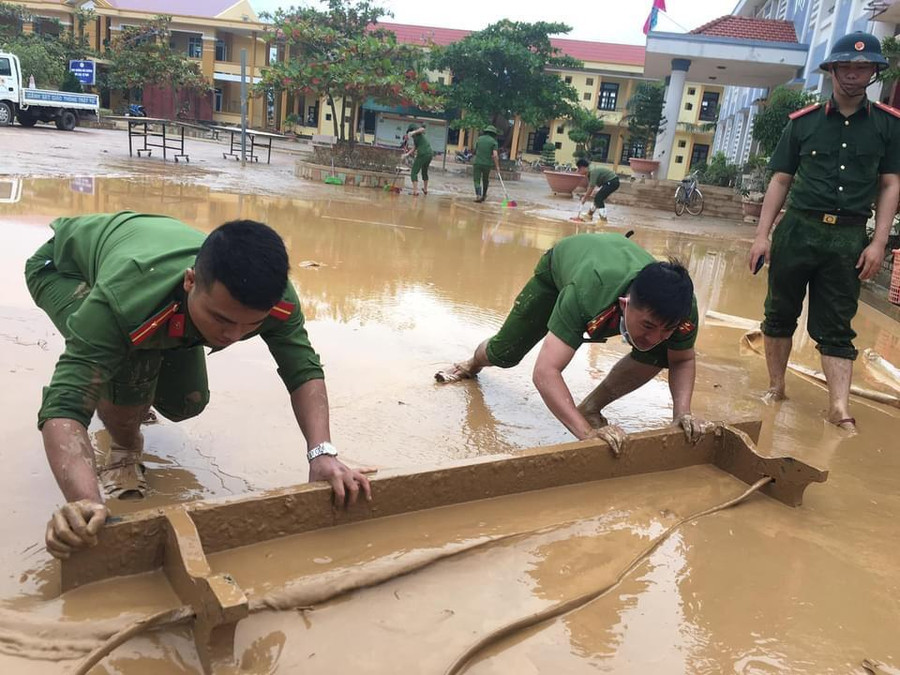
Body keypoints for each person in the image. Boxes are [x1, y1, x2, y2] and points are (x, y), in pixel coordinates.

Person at [25, 213, 373, 559]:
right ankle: (123, 450)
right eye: (222, 319)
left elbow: (302, 368)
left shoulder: (274, 296)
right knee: (133, 365)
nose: (233, 336)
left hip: (152, 276)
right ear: (191, 281)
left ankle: (129, 396)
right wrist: (84, 501)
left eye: (251, 324)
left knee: (187, 402)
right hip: (61, 268)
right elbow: (66, 403)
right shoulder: (122, 303)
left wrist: (322, 452)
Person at [747, 31, 900, 433]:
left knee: (837, 323)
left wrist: (879, 241)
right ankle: (776, 388)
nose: (854, 74)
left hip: (848, 238)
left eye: (863, 67)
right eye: (847, 65)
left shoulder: (887, 126)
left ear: (873, 71)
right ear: (832, 68)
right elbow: (781, 179)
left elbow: (890, 184)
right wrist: (762, 235)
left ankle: (838, 406)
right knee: (779, 313)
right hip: (798, 229)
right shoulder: (803, 124)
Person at [435, 232, 706, 453]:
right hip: (562, 271)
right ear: (625, 305)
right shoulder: (588, 293)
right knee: (505, 352)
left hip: (611, 262)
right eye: (648, 326)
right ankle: (471, 364)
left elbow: (682, 359)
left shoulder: (683, 310)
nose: (656, 338)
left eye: (666, 329)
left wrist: (682, 413)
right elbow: (545, 372)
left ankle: (589, 408)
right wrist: (588, 436)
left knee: (660, 354)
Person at [574, 158, 620, 222]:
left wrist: (585, 198)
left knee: (599, 198)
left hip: (612, 182)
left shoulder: (592, 172)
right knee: (597, 197)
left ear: (582, 168)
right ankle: (589, 215)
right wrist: (591, 193)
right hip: (607, 183)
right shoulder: (589, 172)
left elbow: (591, 186)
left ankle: (603, 219)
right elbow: (592, 185)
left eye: (579, 169)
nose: (578, 171)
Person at [402, 122, 434, 196]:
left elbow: (422, 129)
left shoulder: (417, 133)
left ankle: (415, 191)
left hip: (423, 153)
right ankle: (425, 190)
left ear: (412, 130)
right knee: (424, 171)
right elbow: (414, 147)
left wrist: (413, 132)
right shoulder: (416, 137)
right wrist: (407, 154)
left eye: (409, 131)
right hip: (429, 154)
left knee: (414, 172)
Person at [472, 125, 501, 203]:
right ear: (493, 134)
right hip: (487, 164)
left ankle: (478, 195)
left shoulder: (479, 139)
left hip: (477, 162)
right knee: (485, 180)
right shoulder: (494, 142)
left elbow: (475, 150)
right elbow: (495, 155)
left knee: (476, 180)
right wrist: (497, 167)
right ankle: (484, 195)